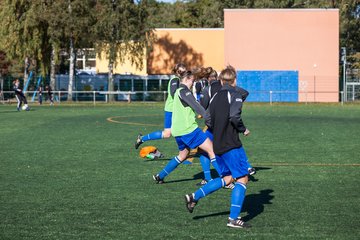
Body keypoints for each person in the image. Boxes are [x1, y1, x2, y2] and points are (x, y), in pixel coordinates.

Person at [184, 65, 252, 228]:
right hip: (231, 143)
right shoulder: (234, 94)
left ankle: (194, 197)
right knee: (243, 178)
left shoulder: (214, 97)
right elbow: (235, 116)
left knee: (227, 178)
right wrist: (243, 129)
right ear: (234, 80)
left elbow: (207, 119)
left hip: (217, 143)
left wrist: (218, 129)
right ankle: (233, 219)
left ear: (221, 81)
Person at [152, 70, 216, 184]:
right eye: (192, 80)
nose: (193, 83)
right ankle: (224, 179)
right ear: (186, 80)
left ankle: (160, 176)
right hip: (189, 130)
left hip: (178, 131)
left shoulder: (177, 92)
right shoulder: (184, 91)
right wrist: (209, 118)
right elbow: (196, 106)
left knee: (182, 155)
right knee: (211, 150)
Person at [197, 68, 255, 186]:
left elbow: (205, 110)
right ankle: (247, 167)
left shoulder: (209, 90)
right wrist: (237, 104)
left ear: (209, 79)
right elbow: (244, 93)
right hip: (226, 126)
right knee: (235, 145)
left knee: (204, 151)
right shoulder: (232, 88)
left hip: (216, 126)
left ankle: (208, 178)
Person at [135, 63, 186, 149]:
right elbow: (174, 93)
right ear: (177, 72)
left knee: (178, 130)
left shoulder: (178, 80)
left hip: (175, 109)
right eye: (181, 71)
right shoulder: (175, 80)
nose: (183, 73)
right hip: (171, 109)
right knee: (169, 133)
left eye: (184, 72)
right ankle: (183, 153)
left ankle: (184, 152)